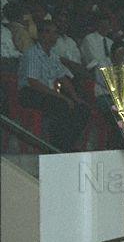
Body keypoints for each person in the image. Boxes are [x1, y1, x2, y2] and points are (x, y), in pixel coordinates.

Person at [16, 19, 89, 151]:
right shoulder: (32, 53)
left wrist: (74, 97)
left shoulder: (53, 56)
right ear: (40, 35)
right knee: (60, 105)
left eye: (55, 33)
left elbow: (62, 78)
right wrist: (62, 98)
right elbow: (33, 82)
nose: (52, 36)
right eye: (48, 32)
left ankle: (68, 144)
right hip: (29, 92)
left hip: (47, 93)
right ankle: (56, 145)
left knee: (82, 108)